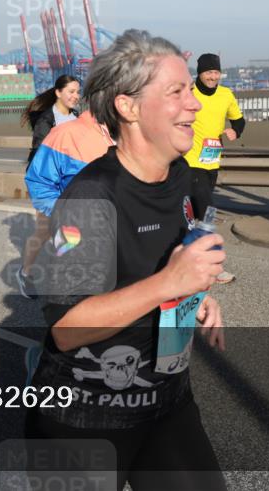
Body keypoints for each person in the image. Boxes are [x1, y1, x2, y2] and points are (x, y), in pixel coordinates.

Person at [26, 29, 227, 490]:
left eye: (189, 89)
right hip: (81, 417)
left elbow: (158, 265)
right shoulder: (88, 198)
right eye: (176, 91)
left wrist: (192, 295)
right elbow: (67, 326)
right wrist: (168, 285)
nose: (193, 102)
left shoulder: (177, 174)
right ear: (128, 107)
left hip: (166, 403)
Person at [18, 109, 115, 298]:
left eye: (76, 91)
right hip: (60, 194)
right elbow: (39, 156)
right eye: (70, 91)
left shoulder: (118, 130)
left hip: (100, 216)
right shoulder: (52, 120)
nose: (74, 96)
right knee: (43, 234)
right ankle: (26, 272)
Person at [182, 53, 244, 284]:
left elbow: (239, 120)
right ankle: (214, 267)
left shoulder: (226, 95)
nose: (213, 76)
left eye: (216, 72)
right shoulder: (190, 92)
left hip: (211, 162)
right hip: (188, 161)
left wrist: (235, 131)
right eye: (209, 72)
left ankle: (185, 258)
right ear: (200, 73)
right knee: (208, 211)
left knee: (192, 216)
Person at [22, 75, 80, 167]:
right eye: (71, 92)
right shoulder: (46, 120)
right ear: (58, 93)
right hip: (56, 176)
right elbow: (40, 155)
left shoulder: (77, 116)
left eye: (78, 92)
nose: (76, 96)